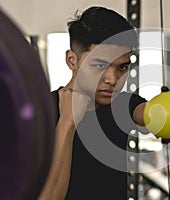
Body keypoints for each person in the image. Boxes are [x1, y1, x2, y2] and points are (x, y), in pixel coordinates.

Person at [38, 6, 147, 200]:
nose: (113, 79)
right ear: (72, 61)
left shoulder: (123, 105)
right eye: (100, 65)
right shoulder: (40, 113)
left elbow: (147, 113)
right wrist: (67, 123)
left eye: (122, 67)